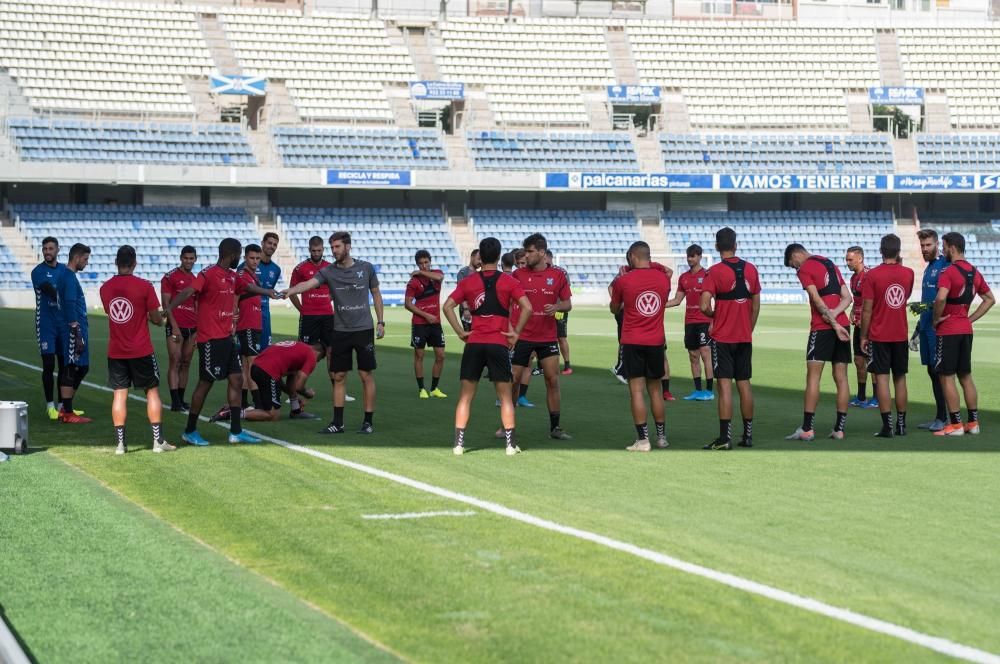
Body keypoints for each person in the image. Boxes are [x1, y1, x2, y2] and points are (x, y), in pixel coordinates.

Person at [282, 231, 383, 435]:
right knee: (338, 376)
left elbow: (376, 293)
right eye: (332, 247)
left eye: (337, 247)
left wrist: (381, 321)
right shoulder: (329, 271)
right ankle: (337, 423)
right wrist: (290, 291)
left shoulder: (366, 268)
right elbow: (308, 284)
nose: (333, 251)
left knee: (366, 375)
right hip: (340, 330)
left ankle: (368, 422)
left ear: (348, 246)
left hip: (364, 329)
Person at [165, 238, 263, 446]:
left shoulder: (232, 276)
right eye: (239, 254)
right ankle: (190, 430)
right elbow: (189, 291)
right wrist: (169, 307)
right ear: (232, 254)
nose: (240, 258)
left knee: (236, 379)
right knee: (205, 383)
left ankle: (235, 431)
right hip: (210, 339)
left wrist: (268, 292)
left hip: (227, 339)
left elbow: (248, 287)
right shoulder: (208, 273)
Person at [443, 237, 531, 456]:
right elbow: (527, 307)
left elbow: (447, 306)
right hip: (498, 343)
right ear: (500, 256)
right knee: (505, 397)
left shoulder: (468, 282)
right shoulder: (509, 281)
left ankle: (459, 445)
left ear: (480, 257)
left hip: (474, 344)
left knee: (465, 396)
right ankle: (510, 446)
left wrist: (461, 332)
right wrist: (516, 333)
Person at [100, 245, 173, 454]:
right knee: (152, 392)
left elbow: (114, 313)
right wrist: (161, 319)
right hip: (141, 349)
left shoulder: (105, 288)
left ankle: (121, 445)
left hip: (116, 351)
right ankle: (158, 442)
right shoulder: (144, 286)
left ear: (116, 262)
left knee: (119, 395)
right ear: (134, 263)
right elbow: (156, 318)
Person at [783, 243, 853, 442]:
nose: (795, 268)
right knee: (842, 378)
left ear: (796, 254)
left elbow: (816, 299)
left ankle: (807, 429)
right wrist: (837, 319)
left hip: (822, 328)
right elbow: (847, 298)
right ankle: (839, 430)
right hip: (843, 325)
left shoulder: (805, 268)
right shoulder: (830, 263)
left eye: (793, 264)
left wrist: (831, 322)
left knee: (813, 377)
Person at [700, 228, 760, 450]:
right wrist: (748, 329)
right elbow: (756, 305)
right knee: (745, 384)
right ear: (736, 244)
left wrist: (715, 316)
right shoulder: (751, 269)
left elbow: (704, 305)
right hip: (744, 337)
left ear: (717, 246)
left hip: (722, 338)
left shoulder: (714, 272)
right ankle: (748, 436)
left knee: (725, 387)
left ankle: (724, 439)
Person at [932, 232, 994, 437]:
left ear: (952, 248)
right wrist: (970, 319)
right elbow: (989, 299)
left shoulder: (948, 272)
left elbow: (941, 298)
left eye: (944, 246)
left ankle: (956, 424)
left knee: (946, 376)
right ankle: (973, 423)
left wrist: (936, 319)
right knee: (965, 376)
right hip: (965, 330)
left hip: (948, 330)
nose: (942, 250)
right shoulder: (974, 272)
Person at [610, 241, 670, 452]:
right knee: (656, 390)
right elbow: (666, 274)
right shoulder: (663, 279)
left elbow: (614, 308)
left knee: (636, 390)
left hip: (632, 340)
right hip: (656, 341)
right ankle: (662, 438)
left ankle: (643, 440)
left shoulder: (623, 281)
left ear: (633, 256)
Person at [512, 234, 573, 440]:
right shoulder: (517, 275)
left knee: (552, 381)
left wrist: (556, 306)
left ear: (541, 252)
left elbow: (568, 304)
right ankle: (507, 426)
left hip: (547, 337)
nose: (526, 255)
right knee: (513, 380)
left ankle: (555, 428)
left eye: (530, 251)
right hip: (523, 336)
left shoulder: (557, 276)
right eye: (525, 251)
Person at [859, 234, 914, 438]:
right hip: (900, 333)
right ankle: (901, 425)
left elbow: (867, 310)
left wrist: (863, 336)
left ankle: (887, 426)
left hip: (879, 335)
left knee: (881, 379)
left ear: (881, 251)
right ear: (899, 251)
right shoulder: (908, 273)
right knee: (900, 379)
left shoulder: (871, 275)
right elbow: (903, 297)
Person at [289, 237, 355, 404]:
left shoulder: (330, 267)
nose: (316, 253)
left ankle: (339, 391)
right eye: (313, 251)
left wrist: (328, 299)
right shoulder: (300, 268)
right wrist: (302, 309)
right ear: (309, 249)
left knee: (332, 353)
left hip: (328, 316)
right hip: (309, 317)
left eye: (319, 251)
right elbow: (293, 291)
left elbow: (338, 288)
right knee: (303, 353)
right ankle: (294, 393)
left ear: (323, 250)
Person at [234, 244, 280, 412]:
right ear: (245, 258)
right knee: (253, 365)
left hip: (254, 323)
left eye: (257, 258)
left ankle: (243, 402)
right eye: (252, 258)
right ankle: (259, 402)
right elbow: (242, 292)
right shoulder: (242, 274)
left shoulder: (253, 276)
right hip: (247, 325)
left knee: (247, 365)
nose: (255, 261)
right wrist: (233, 316)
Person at [666, 244, 714, 401]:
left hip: (704, 321)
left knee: (706, 353)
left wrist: (714, 318)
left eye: (693, 256)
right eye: (688, 256)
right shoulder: (683, 278)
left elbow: (717, 299)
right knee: (693, 355)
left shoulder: (708, 275)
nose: (690, 259)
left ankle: (709, 391)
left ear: (700, 256)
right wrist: (659, 304)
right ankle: (698, 391)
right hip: (690, 322)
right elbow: (677, 300)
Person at [914, 229, 950, 431]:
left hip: (938, 329)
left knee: (940, 371)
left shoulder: (945, 265)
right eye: (922, 245)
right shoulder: (928, 268)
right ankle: (939, 416)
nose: (924, 249)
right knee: (931, 371)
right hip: (926, 328)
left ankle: (946, 418)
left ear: (937, 244)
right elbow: (928, 301)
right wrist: (918, 329)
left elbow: (943, 298)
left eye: (928, 245)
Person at [31, 236, 70, 420]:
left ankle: (62, 405)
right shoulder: (37, 272)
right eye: (45, 248)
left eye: (50, 248)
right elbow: (50, 291)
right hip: (46, 324)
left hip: (63, 325)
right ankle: (50, 406)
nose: (47, 251)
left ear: (57, 250)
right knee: (48, 365)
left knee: (64, 365)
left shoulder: (64, 270)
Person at [56, 243, 93, 424]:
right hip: (72, 329)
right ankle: (67, 411)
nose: (86, 263)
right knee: (72, 367)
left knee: (81, 367)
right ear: (77, 258)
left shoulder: (66, 275)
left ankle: (65, 407)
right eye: (85, 259)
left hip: (75, 328)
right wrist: (76, 330)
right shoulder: (69, 277)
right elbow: (69, 304)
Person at [238, 341, 320, 422]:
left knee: (266, 408)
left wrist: (296, 403)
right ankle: (233, 413)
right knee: (273, 415)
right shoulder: (311, 356)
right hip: (268, 371)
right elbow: (299, 386)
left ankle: (296, 411)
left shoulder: (299, 348)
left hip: (257, 368)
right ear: (320, 353)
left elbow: (288, 383)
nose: (318, 361)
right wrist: (307, 393)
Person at [405, 250, 448, 399]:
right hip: (419, 323)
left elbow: (440, 277)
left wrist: (421, 273)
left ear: (430, 261)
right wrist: (425, 315)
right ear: (417, 264)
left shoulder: (436, 274)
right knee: (419, 355)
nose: (424, 265)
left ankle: (434, 388)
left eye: (426, 262)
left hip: (435, 323)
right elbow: (407, 304)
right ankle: (421, 388)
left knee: (441, 355)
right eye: (421, 264)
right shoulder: (413, 282)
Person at [161, 246, 198, 412]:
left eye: (191, 258)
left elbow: (198, 305)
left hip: (192, 327)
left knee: (186, 362)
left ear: (195, 259)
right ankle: (175, 402)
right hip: (176, 326)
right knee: (175, 360)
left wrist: (198, 329)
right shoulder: (170, 277)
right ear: (181, 258)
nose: (189, 261)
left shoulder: (196, 279)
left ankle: (181, 400)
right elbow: (166, 304)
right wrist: (174, 326)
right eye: (186, 258)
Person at [845, 245, 877, 409]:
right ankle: (861, 396)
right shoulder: (853, 278)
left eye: (850, 259)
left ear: (860, 259)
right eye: (846, 259)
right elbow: (858, 300)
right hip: (858, 324)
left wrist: (864, 318)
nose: (847, 262)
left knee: (872, 361)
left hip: (869, 325)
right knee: (859, 360)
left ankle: (877, 397)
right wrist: (852, 311)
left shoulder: (869, 276)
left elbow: (870, 302)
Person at [545, 248, 573, 375]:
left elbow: (566, 292)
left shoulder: (561, 272)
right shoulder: (541, 271)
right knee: (545, 337)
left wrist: (558, 305)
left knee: (561, 336)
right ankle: (544, 365)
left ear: (549, 257)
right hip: (545, 309)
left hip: (559, 308)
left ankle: (567, 365)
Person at [256, 232, 282, 350]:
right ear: (262, 243)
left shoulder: (276, 269)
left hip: (265, 314)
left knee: (265, 351)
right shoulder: (248, 265)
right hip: (248, 314)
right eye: (269, 243)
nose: (272, 246)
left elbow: (269, 290)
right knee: (245, 354)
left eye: (275, 245)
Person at [456, 248, 482, 332]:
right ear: (472, 257)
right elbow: (460, 292)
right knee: (469, 337)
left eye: (481, 260)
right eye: (478, 259)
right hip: (466, 309)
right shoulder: (463, 272)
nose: (480, 262)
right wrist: (466, 309)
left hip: (477, 309)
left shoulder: (480, 274)